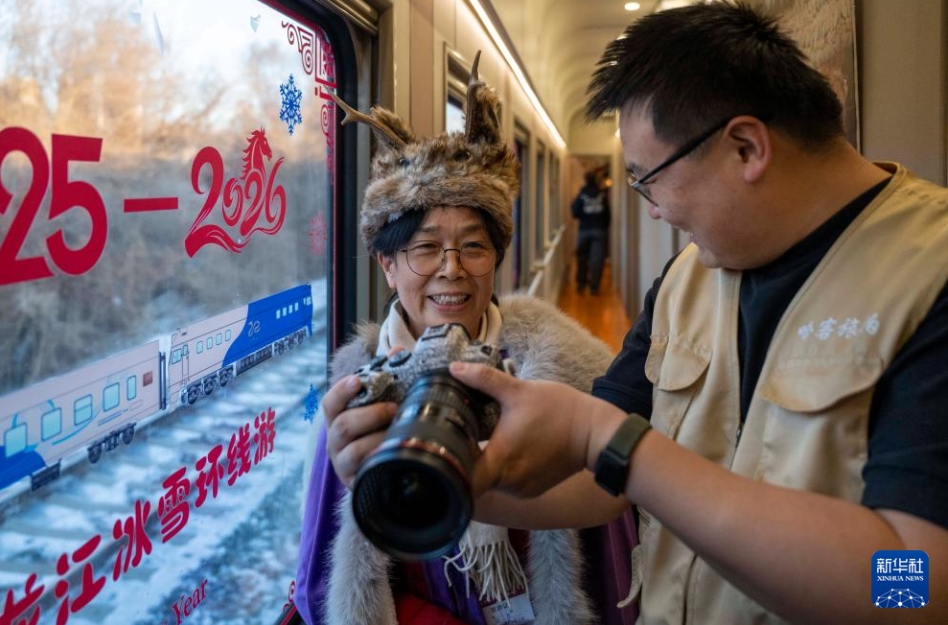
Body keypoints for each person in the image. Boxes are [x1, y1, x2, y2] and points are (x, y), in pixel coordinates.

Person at [323, 4, 948, 624]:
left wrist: (608, 441)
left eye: (648, 181)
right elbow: (602, 482)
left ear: (745, 148)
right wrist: (434, 478)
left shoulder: (928, 276)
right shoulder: (686, 282)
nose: (651, 212)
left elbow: (916, 589)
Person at [295, 54, 638, 625]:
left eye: (474, 248)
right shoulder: (359, 391)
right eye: (426, 248)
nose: (451, 270)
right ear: (387, 265)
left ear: (498, 260)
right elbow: (324, 581)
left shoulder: (562, 371)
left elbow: (610, 566)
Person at [571, 168, 612, 294]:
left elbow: (574, 211)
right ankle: (595, 287)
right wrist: (604, 228)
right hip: (599, 231)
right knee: (597, 259)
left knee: (582, 258)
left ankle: (581, 285)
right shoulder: (602, 194)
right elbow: (608, 214)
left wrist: (583, 217)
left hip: (584, 230)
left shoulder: (582, 194)